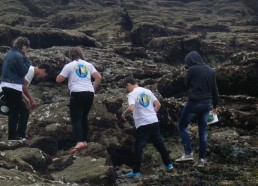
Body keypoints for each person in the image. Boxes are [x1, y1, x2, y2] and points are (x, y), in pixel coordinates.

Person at [121, 77, 173, 177]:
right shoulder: (147, 91)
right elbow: (158, 104)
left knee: (139, 148)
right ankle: (169, 164)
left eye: (125, 87)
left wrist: (124, 114)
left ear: (129, 84)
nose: (126, 89)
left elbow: (131, 108)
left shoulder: (132, 94)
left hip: (143, 123)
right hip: (153, 121)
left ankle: (136, 171)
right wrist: (151, 114)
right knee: (159, 144)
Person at [175, 51, 219, 167]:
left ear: (190, 61)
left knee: (181, 126)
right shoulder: (211, 70)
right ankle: (201, 160)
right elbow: (215, 90)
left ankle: (188, 153)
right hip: (207, 104)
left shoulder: (192, 69)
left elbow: (186, 84)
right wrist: (215, 106)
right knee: (203, 131)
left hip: (194, 103)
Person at [56, 47, 101, 154]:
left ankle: (79, 141)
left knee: (76, 119)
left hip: (77, 93)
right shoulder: (88, 65)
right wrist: (93, 88)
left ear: (71, 55)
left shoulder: (69, 65)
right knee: (84, 117)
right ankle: (84, 140)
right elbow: (98, 77)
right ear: (81, 54)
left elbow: (58, 80)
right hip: (89, 93)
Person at [1, 37, 31, 141]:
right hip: (13, 86)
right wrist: (27, 59)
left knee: (22, 111)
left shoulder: (9, 53)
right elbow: (23, 71)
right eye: (27, 48)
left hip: (5, 85)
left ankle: (18, 135)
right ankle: (14, 136)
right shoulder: (18, 55)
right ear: (23, 46)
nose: (27, 51)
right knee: (16, 112)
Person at [17, 64, 50, 140]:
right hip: (9, 92)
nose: (43, 77)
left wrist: (26, 99)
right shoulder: (30, 71)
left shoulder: (29, 69)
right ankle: (20, 135)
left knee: (21, 111)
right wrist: (31, 100)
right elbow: (23, 87)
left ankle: (19, 134)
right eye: (44, 75)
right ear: (43, 70)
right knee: (24, 112)